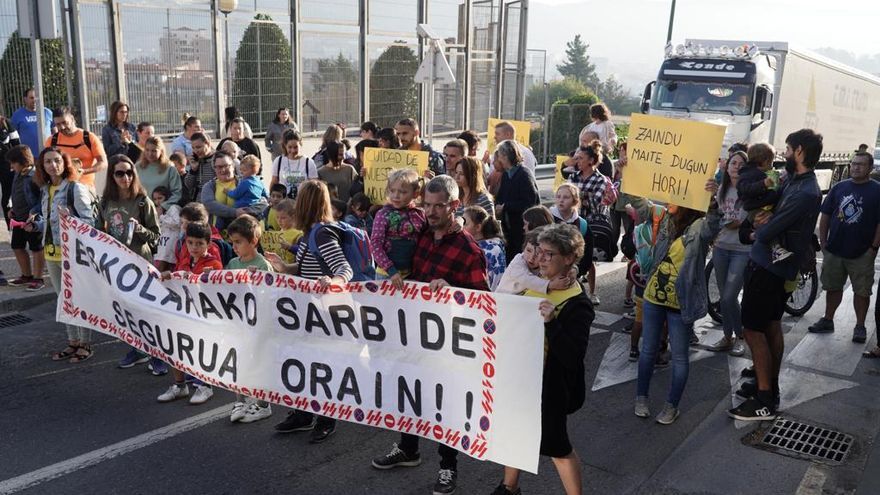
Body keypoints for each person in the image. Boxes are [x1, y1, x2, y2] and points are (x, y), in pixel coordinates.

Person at [371, 175, 488, 495]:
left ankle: (448, 467)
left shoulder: (468, 250)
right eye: (427, 205)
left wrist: (454, 293)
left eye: (439, 206)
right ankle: (408, 448)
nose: (431, 212)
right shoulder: (420, 233)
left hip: (446, 343)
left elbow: (483, 304)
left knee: (443, 405)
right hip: (412, 334)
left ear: (454, 206)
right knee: (408, 391)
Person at [728, 129, 822, 421]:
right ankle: (767, 384)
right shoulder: (794, 181)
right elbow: (766, 209)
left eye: (787, 148)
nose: (783, 153)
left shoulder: (806, 191)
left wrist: (754, 230)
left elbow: (770, 227)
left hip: (771, 269)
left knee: (753, 328)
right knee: (769, 325)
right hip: (768, 264)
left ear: (800, 152)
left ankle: (765, 398)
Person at [493, 223, 593, 495]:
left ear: (569, 258)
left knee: (556, 446)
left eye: (550, 254)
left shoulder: (577, 303)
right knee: (514, 435)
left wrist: (551, 322)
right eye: (540, 252)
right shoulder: (535, 282)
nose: (541, 259)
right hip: (520, 380)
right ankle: (509, 488)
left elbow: (573, 355)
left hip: (550, 390)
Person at [266, 180, 355, 443]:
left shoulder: (322, 234)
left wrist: (333, 282)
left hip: (323, 312)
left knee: (321, 365)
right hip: (308, 310)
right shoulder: (310, 234)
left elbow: (344, 269)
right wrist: (284, 266)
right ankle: (304, 414)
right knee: (304, 363)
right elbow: (305, 269)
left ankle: (326, 418)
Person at [634, 183, 721, 425]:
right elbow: (640, 204)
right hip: (653, 296)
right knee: (648, 350)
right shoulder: (664, 220)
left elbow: (715, 221)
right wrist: (630, 173)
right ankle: (641, 398)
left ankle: (671, 406)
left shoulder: (700, 228)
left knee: (680, 357)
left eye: (675, 197)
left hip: (681, 302)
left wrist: (712, 198)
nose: (668, 199)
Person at [96, 155, 162, 370]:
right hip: (117, 266)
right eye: (119, 173)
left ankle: (156, 354)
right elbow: (98, 232)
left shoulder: (143, 202)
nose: (125, 177)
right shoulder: (106, 202)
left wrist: (139, 229)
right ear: (112, 176)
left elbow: (156, 237)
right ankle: (137, 349)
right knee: (127, 311)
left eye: (129, 172)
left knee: (147, 310)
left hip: (141, 263)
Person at [807, 151, 880, 343]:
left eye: (861, 164)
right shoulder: (839, 188)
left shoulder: (877, 190)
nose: (856, 167)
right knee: (832, 287)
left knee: (862, 291)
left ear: (870, 168)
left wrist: (873, 247)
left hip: (862, 252)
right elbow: (825, 215)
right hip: (835, 249)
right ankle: (828, 319)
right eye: (854, 163)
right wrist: (823, 242)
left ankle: (860, 326)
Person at [31, 147, 96, 363]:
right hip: (51, 253)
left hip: (72, 254)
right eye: (48, 161)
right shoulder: (45, 189)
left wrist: (72, 222)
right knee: (64, 300)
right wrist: (36, 225)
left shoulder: (75, 188)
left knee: (78, 299)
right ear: (42, 166)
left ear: (64, 163)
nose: (53, 165)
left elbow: (89, 222)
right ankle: (73, 342)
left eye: (57, 160)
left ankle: (85, 344)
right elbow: (49, 222)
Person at [157, 222, 223, 405]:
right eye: (190, 242)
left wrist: (210, 278)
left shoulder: (213, 264)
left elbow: (219, 290)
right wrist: (169, 277)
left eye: (199, 243)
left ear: (208, 244)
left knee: (202, 351)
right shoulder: (185, 262)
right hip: (184, 313)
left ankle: (205, 385)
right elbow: (179, 282)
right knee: (174, 345)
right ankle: (180, 385)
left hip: (204, 316)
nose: (194, 247)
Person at [225, 214, 275, 423]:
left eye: (239, 242)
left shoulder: (263, 265)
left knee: (260, 363)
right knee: (239, 362)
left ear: (253, 241)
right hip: (240, 323)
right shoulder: (233, 263)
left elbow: (271, 295)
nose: (234, 246)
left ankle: (263, 404)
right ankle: (241, 400)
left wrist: (258, 281)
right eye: (232, 242)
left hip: (259, 324)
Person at [708, 151, 751, 356]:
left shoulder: (749, 192)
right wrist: (710, 199)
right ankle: (727, 336)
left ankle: (741, 337)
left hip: (742, 250)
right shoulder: (721, 190)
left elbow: (740, 222)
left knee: (728, 296)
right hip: (721, 248)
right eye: (733, 162)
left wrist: (727, 222)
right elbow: (715, 217)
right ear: (727, 167)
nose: (736, 166)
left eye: (741, 164)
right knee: (726, 297)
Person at [570, 140, 613, 304]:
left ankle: (593, 292)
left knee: (589, 258)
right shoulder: (573, 176)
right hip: (573, 221)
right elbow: (567, 195)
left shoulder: (600, 179)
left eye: (581, 158)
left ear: (590, 160)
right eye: (577, 158)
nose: (577, 161)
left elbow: (597, 203)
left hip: (589, 223)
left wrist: (580, 198)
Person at [370, 168, 426, 289]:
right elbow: (375, 244)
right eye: (392, 190)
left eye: (402, 192)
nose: (396, 196)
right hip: (386, 275)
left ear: (415, 193)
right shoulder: (383, 214)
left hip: (412, 274)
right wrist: (391, 271)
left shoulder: (420, 214)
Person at [736, 143, 791, 263]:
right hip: (754, 209)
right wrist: (764, 184)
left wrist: (778, 185)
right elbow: (745, 189)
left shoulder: (764, 174)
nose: (772, 166)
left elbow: (772, 193)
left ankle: (776, 249)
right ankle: (776, 250)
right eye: (771, 162)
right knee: (768, 225)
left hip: (763, 207)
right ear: (765, 161)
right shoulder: (747, 173)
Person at [6, 145, 45, 291]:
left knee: (36, 248)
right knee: (17, 246)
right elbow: (14, 193)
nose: (11, 166)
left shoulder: (35, 176)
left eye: (13, 162)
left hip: (33, 220)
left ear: (23, 161)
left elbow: (42, 198)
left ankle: (38, 278)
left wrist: (35, 215)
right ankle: (26, 275)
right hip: (18, 218)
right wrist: (12, 209)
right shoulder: (17, 174)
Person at [495, 140, 540, 262]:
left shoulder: (524, 175)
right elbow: (501, 196)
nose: (498, 158)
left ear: (505, 156)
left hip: (522, 229)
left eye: (499, 155)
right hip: (509, 229)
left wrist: (505, 207)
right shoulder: (506, 175)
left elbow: (529, 203)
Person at [200, 151, 267, 232]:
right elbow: (209, 205)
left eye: (226, 166)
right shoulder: (209, 186)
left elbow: (263, 201)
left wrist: (247, 211)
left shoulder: (246, 182)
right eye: (219, 167)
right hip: (218, 232)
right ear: (214, 168)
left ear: (233, 166)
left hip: (243, 231)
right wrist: (234, 212)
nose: (223, 170)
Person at [497, 227, 576, 295]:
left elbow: (559, 262)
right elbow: (527, 279)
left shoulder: (544, 265)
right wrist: (550, 285)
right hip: (501, 302)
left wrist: (573, 270)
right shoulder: (517, 262)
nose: (531, 258)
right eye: (528, 250)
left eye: (538, 253)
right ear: (523, 248)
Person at [45, 107, 107, 191]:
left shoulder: (89, 138)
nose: (62, 127)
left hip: (85, 187)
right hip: (60, 190)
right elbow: (45, 162)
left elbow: (103, 162)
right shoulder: (52, 141)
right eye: (58, 124)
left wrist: (84, 171)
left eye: (64, 122)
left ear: (72, 119)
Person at [551, 183, 592, 279]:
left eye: (566, 197)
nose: (561, 200)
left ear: (575, 201)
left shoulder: (582, 224)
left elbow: (587, 254)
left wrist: (577, 271)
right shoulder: (547, 218)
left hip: (572, 275)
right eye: (558, 196)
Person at [462, 205, 506, 290]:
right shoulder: (477, 244)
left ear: (478, 227)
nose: (462, 227)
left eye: (465, 224)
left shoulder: (491, 250)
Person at [137, 136, 183, 208]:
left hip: (162, 211)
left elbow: (177, 193)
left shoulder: (170, 168)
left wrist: (164, 207)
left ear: (161, 151)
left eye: (154, 151)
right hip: (142, 208)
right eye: (147, 150)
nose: (150, 154)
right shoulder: (138, 167)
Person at [270, 130, 318, 198]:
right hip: (283, 203)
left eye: (296, 147)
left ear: (300, 144)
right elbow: (274, 182)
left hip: (302, 202)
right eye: (290, 147)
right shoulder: (278, 161)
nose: (293, 151)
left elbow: (314, 186)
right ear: (285, 146)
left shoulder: (309, 162)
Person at [11, 88, 53, 157]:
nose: (34, 100)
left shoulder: (47, 112)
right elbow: (14, 135)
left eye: (37, 98)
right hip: (27, 156)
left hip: (47, 154)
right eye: (31, 98)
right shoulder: (17, 115)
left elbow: (55, 132)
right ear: (25, 99)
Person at [152, 185, 181, 273]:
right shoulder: (156, 211)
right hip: (160, 248)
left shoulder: (173, 208)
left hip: (170, 248)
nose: (158, 202)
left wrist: (161, 216)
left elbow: (177, 223)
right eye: (155, 199)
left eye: (160, 198)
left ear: (167, 197)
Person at [265, 198, 303, 264]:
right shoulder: (280, 231)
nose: (279, 221)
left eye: (283, 218)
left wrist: (290, 247)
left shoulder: (298, 234)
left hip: (292, 270)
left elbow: (303, 252)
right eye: (277, 217)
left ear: (293, 217)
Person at [0, 114, 22, 227]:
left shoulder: (6, 123)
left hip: (7, 168)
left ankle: (12, 227)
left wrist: (17, 163)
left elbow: (17, 144)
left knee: (7, 199)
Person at [183, 132, 216, 202]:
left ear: (208, 144)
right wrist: (193, 170)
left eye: (198, 147)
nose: (196, 151)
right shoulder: (196, 160)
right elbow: (188, 185)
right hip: (197, 201)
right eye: (193, 148)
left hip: (213, 199)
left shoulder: (218, 159)